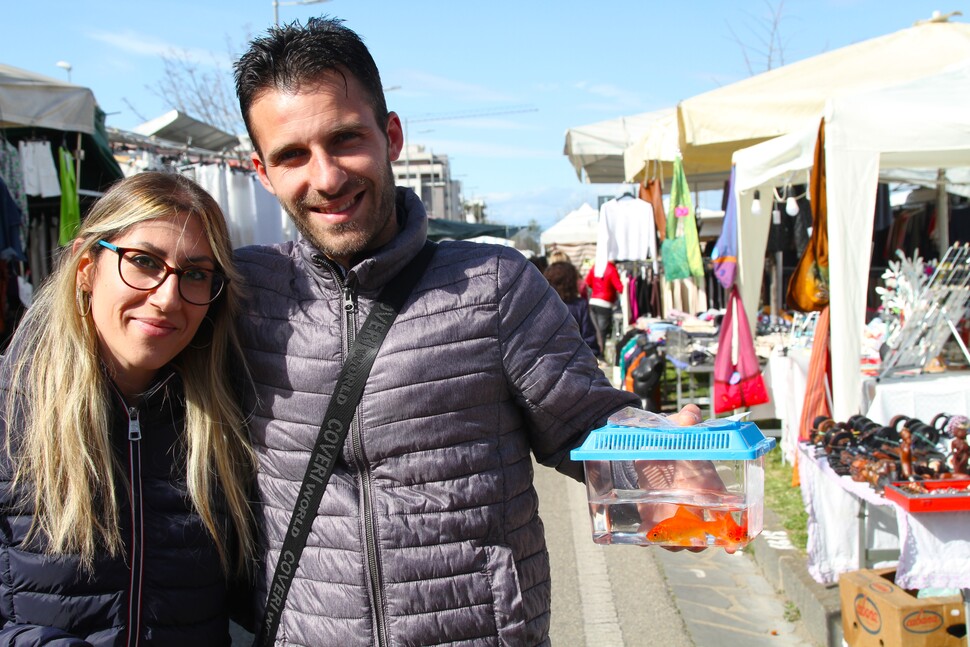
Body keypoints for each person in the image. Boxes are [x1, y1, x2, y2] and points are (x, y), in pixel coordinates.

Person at [233, 17, 703, 646]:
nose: (326, 177)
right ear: (262, 172)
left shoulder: (494, 283)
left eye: (345, 139)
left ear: (391, 135)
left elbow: (584, 422)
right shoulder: (243, 295)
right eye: (293, 154)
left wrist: (665, 469)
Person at [0, 172, 256, 644]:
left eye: (196, 274)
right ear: (86, 267)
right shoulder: (10, 407)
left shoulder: (230, 423)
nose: (167, 298)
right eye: (142, 261)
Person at [544, 260, 600, 356]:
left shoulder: (543, 306)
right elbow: (589, 339)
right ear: (571, 282)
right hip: (575, 361)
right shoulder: (580, 306)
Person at [585, 259, 624, 354]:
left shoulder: (596, 266)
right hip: (605, 303)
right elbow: (619, 287)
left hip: (593, 301)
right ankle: (600, 354)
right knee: (602, 331)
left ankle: (592, 353)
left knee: (594, 330)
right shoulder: (611, 269)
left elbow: (588, 281)